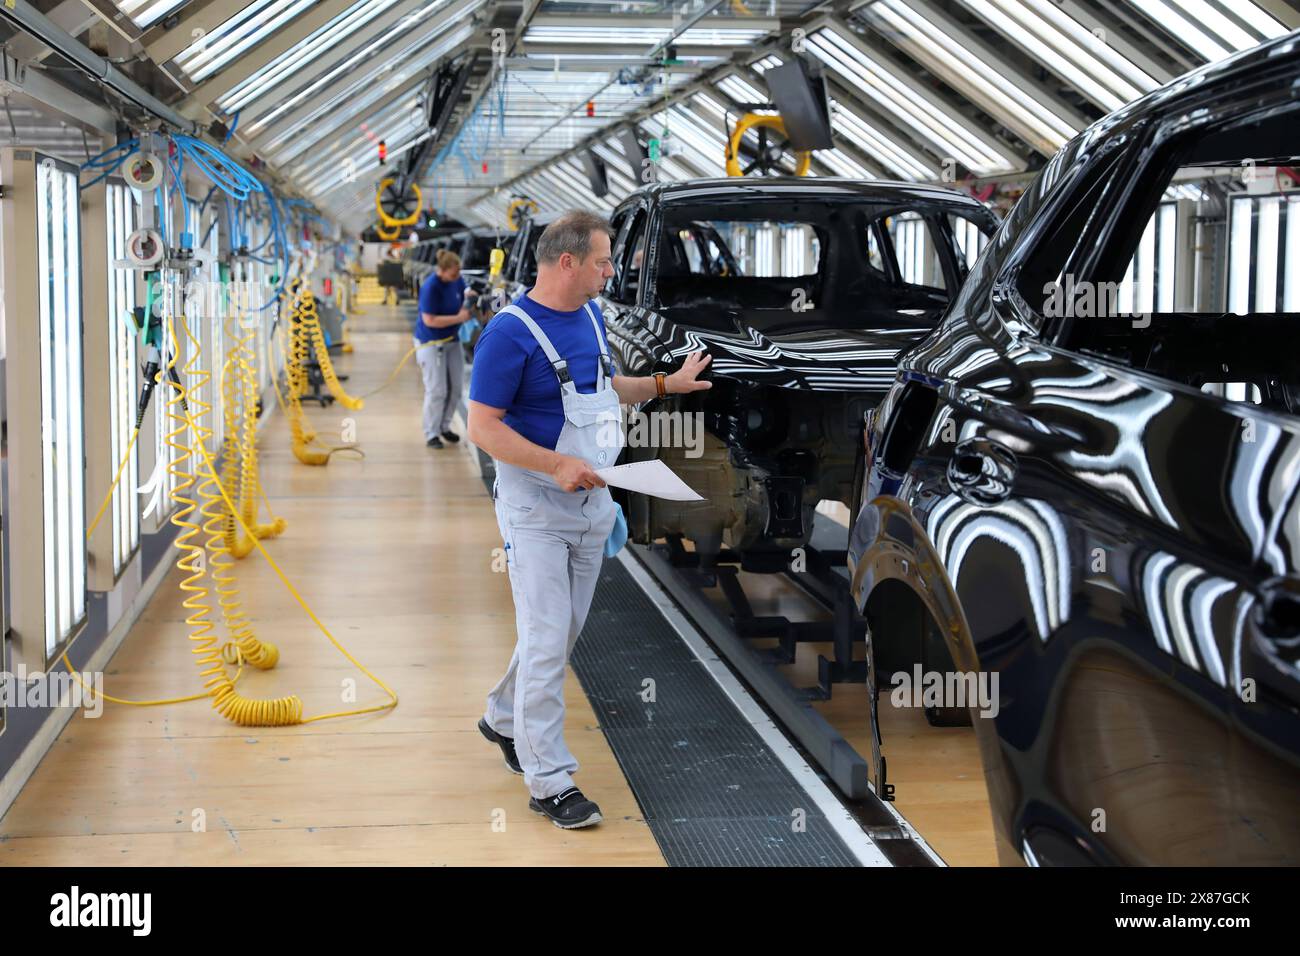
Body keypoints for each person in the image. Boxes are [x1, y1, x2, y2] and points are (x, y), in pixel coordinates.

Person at [467, 210, 712, 829]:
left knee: (561, 634)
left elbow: (605, 390)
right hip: (537, 510)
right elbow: (482, 426)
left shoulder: (594, 318)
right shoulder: (509, 334)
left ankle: (502, 716)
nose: (613, 270)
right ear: (568, 261)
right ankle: (548, 778)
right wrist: (555, 466)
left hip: (593, 502)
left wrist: (664, 384)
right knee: (548, 638)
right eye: (604, 260)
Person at [415, 248, 473, 448]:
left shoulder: (456, 280)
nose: (457, 276)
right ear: (443, 270)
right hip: (431, 343)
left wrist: (470, 297)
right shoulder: (431, 287)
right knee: (436, 390)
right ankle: (431, 433)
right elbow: (429, 320)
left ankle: (444, 427)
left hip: (452, 340)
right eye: (454, 273)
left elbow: (464, 292)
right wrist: (459, 318)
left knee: (456, 388)